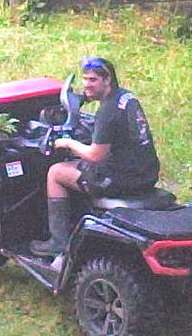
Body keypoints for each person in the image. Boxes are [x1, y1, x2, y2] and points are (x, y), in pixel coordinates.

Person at [30, 57, 160, 257]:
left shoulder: (107, 112)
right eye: (84, 79)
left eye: (92, 80)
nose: (86, 84)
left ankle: (58, 242)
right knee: (76, 165)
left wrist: (67, 143)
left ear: (107, 80)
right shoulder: (127, 97)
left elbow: (95, 155)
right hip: (146, 172)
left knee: (56, 172)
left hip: (120, 180)